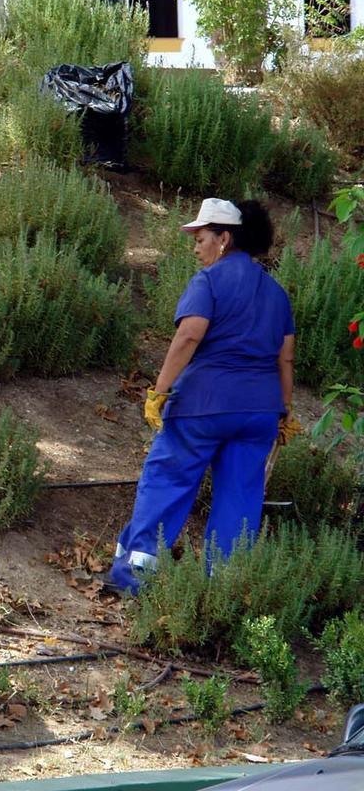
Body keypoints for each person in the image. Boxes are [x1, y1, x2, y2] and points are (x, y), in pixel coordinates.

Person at [108, 199, 300, 594]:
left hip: (202, 406)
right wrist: (284, 410)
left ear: (224, 239)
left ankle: (134, 576)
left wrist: (159, 392)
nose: (196, 247)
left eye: (201, 238)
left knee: (168, 481)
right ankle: (222, 592)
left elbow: (189, 335)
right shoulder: (277, 294)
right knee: (240, 498)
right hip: (259, 413)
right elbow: (286, 358)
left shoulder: (209, 282)